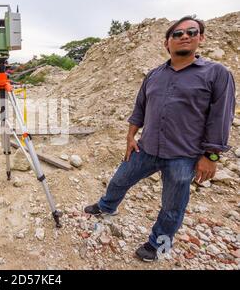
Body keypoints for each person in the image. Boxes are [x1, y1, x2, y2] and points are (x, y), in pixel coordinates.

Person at [84, 15, 236, 262]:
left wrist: (211, 156)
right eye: (177, 34)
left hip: (183, 157)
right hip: (146, 149)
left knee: (172, 206)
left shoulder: (216, 74)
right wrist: (131, 136)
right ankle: (106, 206)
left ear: (201, 38)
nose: (184, 36)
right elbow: (140, 107)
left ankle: (158, 245)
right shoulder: (154, 75)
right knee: (119, 180)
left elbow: (221, 117)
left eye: (191, 32)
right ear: (167, 43)